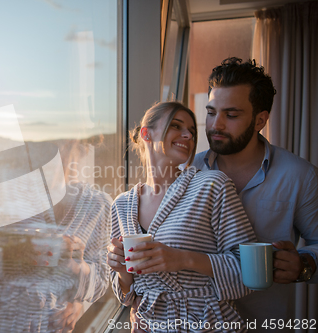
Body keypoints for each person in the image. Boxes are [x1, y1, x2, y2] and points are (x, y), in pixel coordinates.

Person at [130, 57, 318, 332]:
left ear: (260, 120)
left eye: (231, 115)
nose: (216, 125)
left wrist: (305, 263)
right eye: (210, 112)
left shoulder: (299, 175)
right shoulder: (184, 172)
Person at [106, 101, 257, 332]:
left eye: (192, 131)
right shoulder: (122, 205)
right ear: (147, 134)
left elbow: (251, 272)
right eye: (176, 126)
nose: (188, 135)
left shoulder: (212, 185)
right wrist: (122, 271)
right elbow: (126, 297)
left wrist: (183, 259)